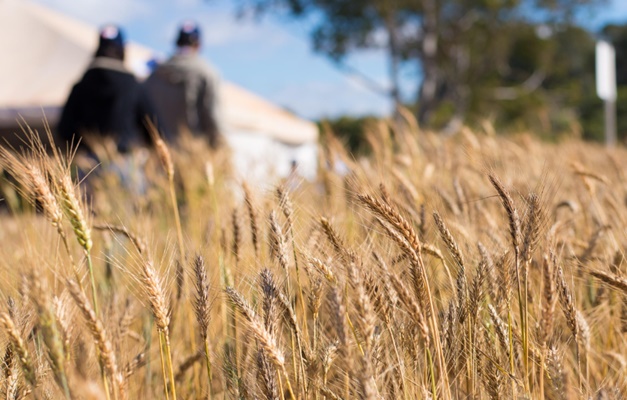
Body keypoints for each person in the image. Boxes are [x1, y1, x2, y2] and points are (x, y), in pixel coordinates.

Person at [57, 25, 157, 154]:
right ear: (122, 50)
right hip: (126, 163)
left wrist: (84, 146)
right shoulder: (133, 86)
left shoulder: (80, 87)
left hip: (88, 166)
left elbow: (64, 130)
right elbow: (154, 128)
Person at [144, 21, 223, 148]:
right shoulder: (206, 73)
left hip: (159, 152)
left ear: (177, 42)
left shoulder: (154, 75)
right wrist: (221, 148)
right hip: (193, 152)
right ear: (198, 45)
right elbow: (212, 116)